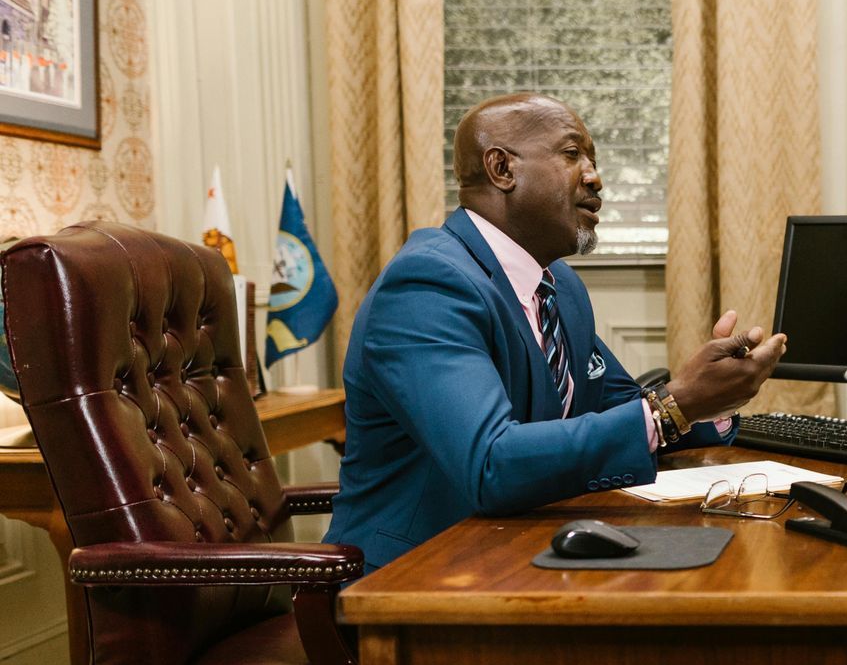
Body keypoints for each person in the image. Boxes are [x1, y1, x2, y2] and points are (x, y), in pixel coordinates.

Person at [327, 93, 784, 573]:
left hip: (514, 551)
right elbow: (489, 463)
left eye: (593, 159)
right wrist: (677, 404)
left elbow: (619, 407)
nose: (595, 176)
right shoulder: (427, 286)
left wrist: (716, 407)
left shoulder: (559, 285)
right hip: (412, 579)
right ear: (502, 169)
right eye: (572, 155)